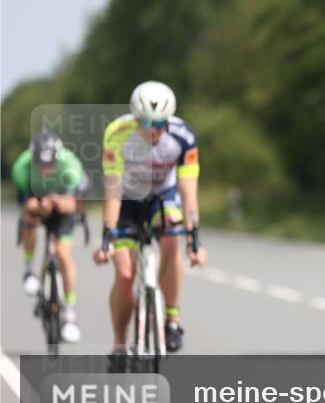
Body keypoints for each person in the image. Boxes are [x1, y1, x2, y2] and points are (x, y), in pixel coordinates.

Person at [93, 81, 208, 370]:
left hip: (162, 196)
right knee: (125, 273)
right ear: (134, 117)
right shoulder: (116, 135)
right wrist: (107, 238)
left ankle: (172, 318)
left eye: (159, 123)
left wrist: (195, 240)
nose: (153, 130)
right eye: (145, 122)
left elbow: (188, 192)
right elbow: (113, 191)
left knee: (172, 233)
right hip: (128, 200)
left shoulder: (184, 137)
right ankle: (119, 345)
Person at [12, 130, 86, 342]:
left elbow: (76, 203)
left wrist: (61, 203)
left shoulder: (71, 165)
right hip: (37, 200)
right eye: (40, 165)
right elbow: (26, 201)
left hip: (62, 203)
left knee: (64, 254)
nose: (45, 169)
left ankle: (70, 314)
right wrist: (37, 207)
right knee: (29, 219)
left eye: (50, 165)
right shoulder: (21, 167)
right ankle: (29, 270)